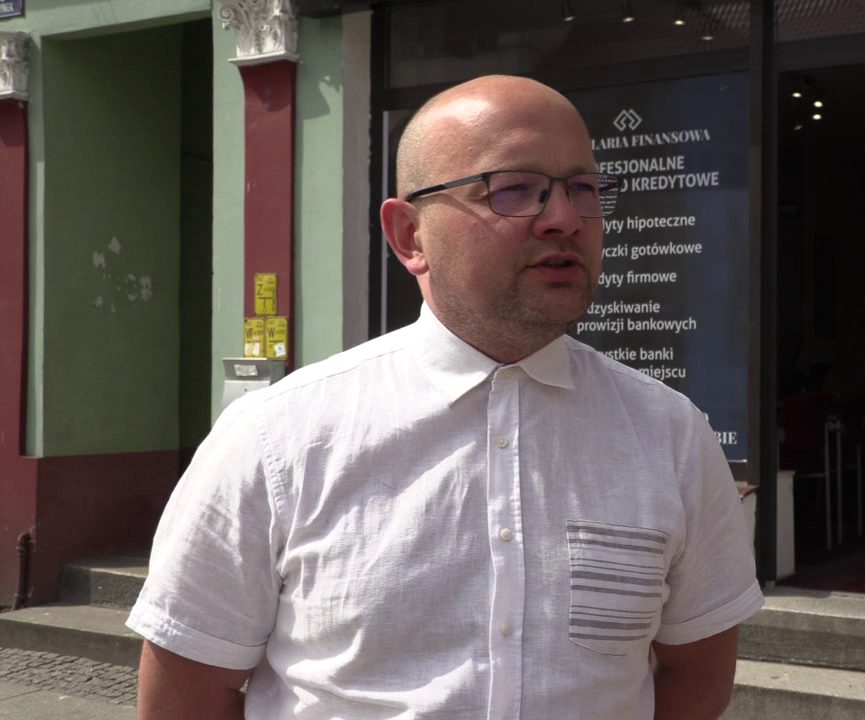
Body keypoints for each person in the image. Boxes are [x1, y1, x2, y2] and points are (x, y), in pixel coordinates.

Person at [127, 75, 763, 719]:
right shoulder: (278, 439)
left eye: (585, 189)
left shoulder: (671, 435)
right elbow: (186, 689)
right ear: (410, 235)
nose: (566, 219)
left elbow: (696, 671)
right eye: (515, 188)